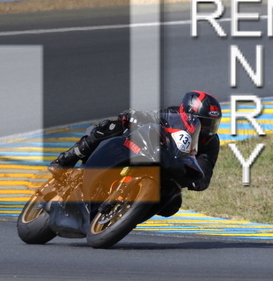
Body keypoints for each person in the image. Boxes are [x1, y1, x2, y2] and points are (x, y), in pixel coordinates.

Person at [48, 91, 222, 216]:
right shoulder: (172, 114)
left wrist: (198, 181)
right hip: (143, 149)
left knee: (172, 204)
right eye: (204, 123)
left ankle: (128, 213)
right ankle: (66, 160)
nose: (207, 129)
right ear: (187, 113)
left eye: (213, 125)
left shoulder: (211, 143)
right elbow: (150, 118)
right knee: (111, 127)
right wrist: (133, 117)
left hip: (169, 168)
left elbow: (206, 167)